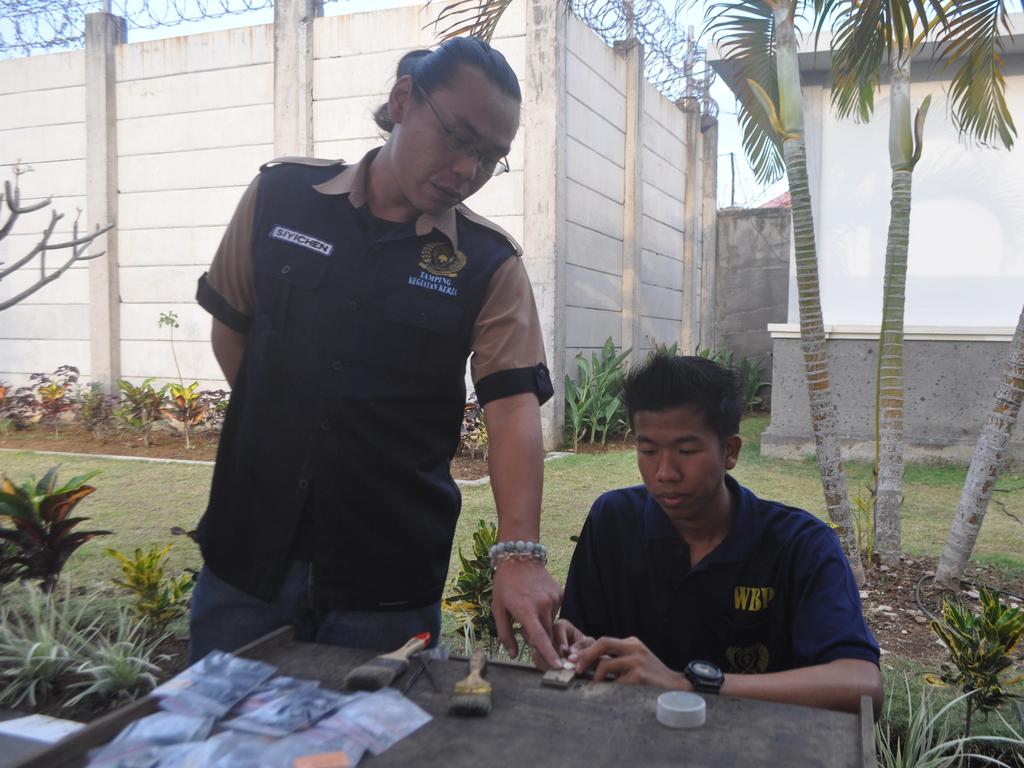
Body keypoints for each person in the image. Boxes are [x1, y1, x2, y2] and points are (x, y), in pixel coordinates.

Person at [190, 37, 562, 667]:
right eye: (457, 137)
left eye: (490, 158)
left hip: (384, 587)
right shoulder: (281, 197)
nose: (466, 170)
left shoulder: (488, 264)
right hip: (244, 559)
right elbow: (232, 331)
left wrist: (519, 555)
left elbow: (513, 412)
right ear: (402, 99)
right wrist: (290, 419)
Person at [555, 354, 883, 714]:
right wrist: (573, 644)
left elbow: (861, 685)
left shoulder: (799, 545)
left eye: (686, 451)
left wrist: (689, 685)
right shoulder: (613, 522)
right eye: (647, 450)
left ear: (730, 451)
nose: (665, 472)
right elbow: (582, 632)